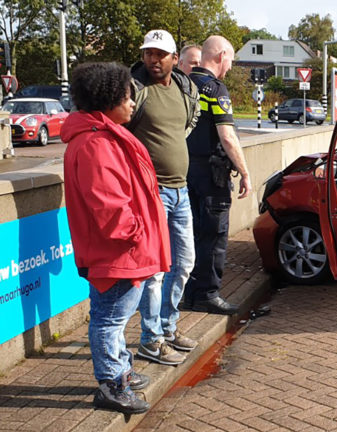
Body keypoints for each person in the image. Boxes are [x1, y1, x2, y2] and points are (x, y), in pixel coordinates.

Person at [62, 62, 171, 414]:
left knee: (114, 316)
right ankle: (111, 383)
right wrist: (137, 234)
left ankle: (121, 369)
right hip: (119, 251)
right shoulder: (96, 144)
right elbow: (110, 205)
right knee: (110, 319)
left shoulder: (101, 137)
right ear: (107, 99)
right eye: (126, 97)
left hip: (122, 250)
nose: (132, 103)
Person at [126, 29, 200, 365]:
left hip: (180, 190)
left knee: (183, 263)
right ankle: (150, 339)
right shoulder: (134, 89)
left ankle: (169, 327)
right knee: (154, 270)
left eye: (160, 55)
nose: (153, 60)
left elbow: (190, 120)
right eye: (148, 54)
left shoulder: (185, 88)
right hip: (150, 191)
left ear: (174, 58)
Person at [184, 35, 252, 314]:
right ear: (222, 55)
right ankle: (208, 294)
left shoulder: (183, 85)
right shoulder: (215, 90)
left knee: (191, 235)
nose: (230, 67)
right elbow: (227, 136)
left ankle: (189, 292)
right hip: (212, 175)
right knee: (214, 236)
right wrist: (245, 172)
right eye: (231, 61)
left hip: (186, 171)